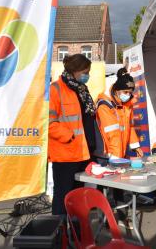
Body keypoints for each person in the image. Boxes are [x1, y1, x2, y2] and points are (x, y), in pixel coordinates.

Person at [48, 54, 96, 215]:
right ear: (75, 70)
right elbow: (48, 122)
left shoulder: (82, 89)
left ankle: (77, 235)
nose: (87, 75)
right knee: (63, 196)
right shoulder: (55, 89)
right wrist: (69, 136)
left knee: (78, 198)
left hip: (83, 153)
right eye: (85, 72)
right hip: (65, 154)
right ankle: (60, 236)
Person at [96, 68, 143, 158]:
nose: (128, 95)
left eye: (130, 93)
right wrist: (116, 158)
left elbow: (130, 127)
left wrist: (135, 146)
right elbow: (113, 134)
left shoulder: (126, 105)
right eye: (125, 92)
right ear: (117, 90)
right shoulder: (105, 105)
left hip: (119, 154)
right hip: (108, 155)